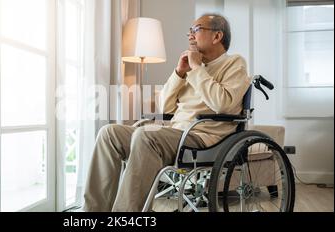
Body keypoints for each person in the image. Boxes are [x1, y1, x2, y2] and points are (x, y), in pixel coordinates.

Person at [82, 13, 251, 212]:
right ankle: (92, 212)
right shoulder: (191, 68)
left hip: (205, 138)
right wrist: (179, 73)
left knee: (146, 136)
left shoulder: (234, 63)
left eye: (196, 30)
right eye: (190, 31)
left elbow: (223, 104)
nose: (190, 36)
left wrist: (196, 68)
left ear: (217, 36)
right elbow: (166, 108)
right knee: (109, 133)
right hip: (176, 133)